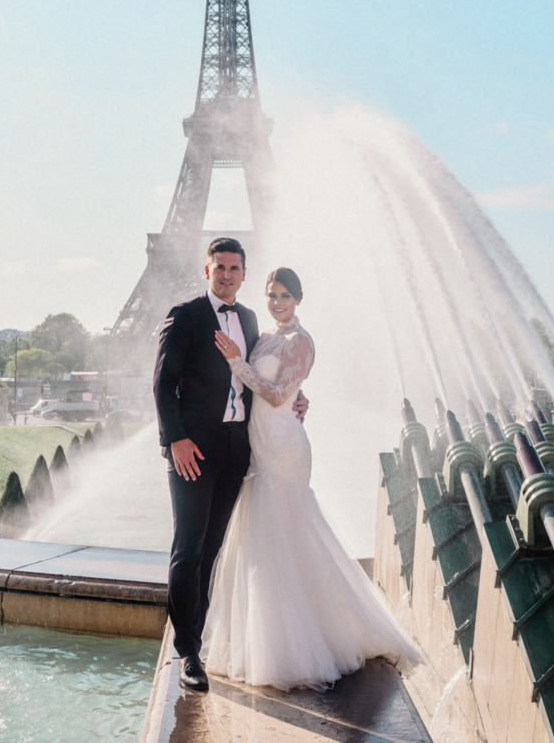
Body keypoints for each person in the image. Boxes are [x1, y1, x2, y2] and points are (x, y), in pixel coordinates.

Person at [202, 267, 421, 692]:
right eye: (271, 294)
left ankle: (294, 646)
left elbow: (279, 395)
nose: (277, 302)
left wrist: (236, 361)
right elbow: (276, 388)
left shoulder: (300, 341)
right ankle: (267, 637)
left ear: (298, 299)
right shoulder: (264, 337)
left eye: (285, 295)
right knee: (266, 541)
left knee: (284, 534)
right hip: (261, 444)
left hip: (284, 448)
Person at [153, 238, 308, 694]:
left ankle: (196, 637)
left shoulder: (250, 320)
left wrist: (295, 396)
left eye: (234, 268)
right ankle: (188, 653)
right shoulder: (185, 316)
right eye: (219, 267)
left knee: (213, 549)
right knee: (188, 547)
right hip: (192, 451)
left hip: (236, 450)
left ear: (244, 273)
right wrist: (175, 440)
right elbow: (163, 383)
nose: (226, 274)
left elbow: (261, 377)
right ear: (207, 271)